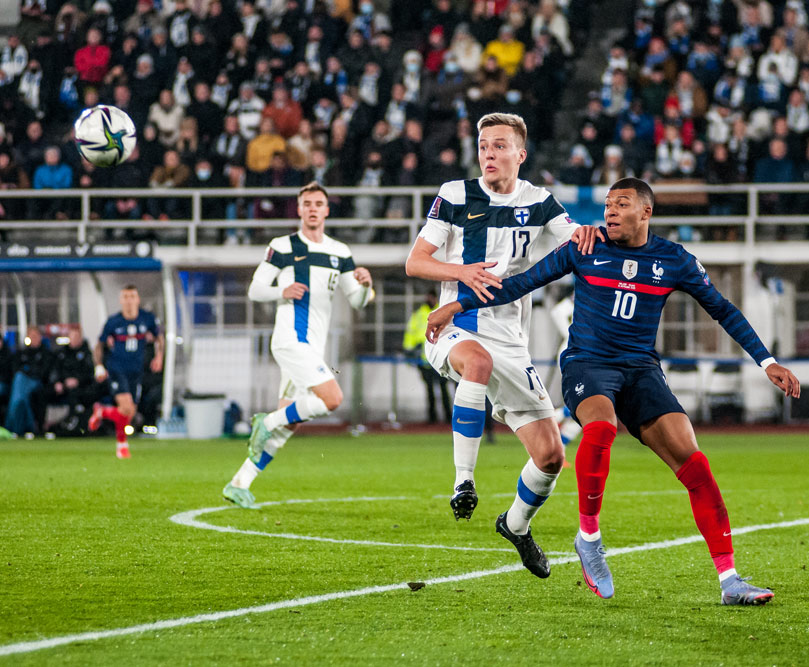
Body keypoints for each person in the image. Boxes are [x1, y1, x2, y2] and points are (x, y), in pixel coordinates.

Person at [426, 177, 801, 605]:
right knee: (601, 429)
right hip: (588, 364)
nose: (609, 211)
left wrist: (767, 362)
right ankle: (589, 538)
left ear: (646, 212)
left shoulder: (674, 259)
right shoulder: (586, 247)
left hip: (641, 369)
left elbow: (723, 310)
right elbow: (518, 284)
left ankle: (730, 580)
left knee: (695, 465)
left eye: (621, 204)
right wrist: (455, 306)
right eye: (606, 204)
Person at [404, 112, 600, 578]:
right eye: (483, 145)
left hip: (512, 339)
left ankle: (515, 525)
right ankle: (463, 482)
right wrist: (461, 272)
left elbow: (575, 239)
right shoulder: (455, 195)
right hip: (453, 326)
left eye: (498, 146)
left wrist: (594, 232)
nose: (488, 154)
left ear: (520, 154)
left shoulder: (539, 201)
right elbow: (416, 262)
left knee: (552, 456)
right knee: (477, 361)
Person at [223, 182, 375, 508]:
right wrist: (283, 291)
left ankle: (240, 482)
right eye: (307, 203)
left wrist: (366, 285)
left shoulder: (340, 252)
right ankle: (266, 422)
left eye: (319, 203)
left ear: (327, 210)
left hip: (311, 348)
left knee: (289, 420)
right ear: (299, 208)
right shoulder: (282, 245)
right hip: (291, 340)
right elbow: (254, 289)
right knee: (332, 398)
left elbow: (358, 300)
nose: (313, 209)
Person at [88, 285, 164, 459]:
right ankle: (122, 446)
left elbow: (160, 337)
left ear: (138, 299)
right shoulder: (114, 322)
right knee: (126, 407)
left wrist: (159, 356)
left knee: (129, 413)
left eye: (132, 296)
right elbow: (99, 345)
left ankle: (102, 412)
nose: (129, 300)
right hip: (117, 369)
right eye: (125, 297)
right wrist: (99, 366)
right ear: (121, 300)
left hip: (136, 372)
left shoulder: (147, 319)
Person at [403, 290, 452, 423]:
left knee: (443, 389)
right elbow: (410, 333)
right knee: (429, 390)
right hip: (425, 361)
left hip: (441, 359)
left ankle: (448, 416)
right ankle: (432, 418)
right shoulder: (419, 314)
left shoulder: (443, 311)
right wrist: (409, 350)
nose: (428, 298)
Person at [4, 325, 53, 436]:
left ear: (40, 337)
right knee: (20, 394)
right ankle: (24, 426)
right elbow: (15, 369)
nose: (34, 338)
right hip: (21, 383)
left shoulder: (46, 353)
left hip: (37, 383)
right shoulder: (21, 353)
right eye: (31, 336)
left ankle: (13, 427)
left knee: (19, 396)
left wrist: (28, 372)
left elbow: (43, 373)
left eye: (36, 336)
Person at [549, 292, 581, 449]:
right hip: (574, 354)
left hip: (588, 355)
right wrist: (571, 337)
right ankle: (549, 420)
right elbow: (558, 311)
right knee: (585, 406)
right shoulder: (590, 287)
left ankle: (558, 449)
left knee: (586, 414)